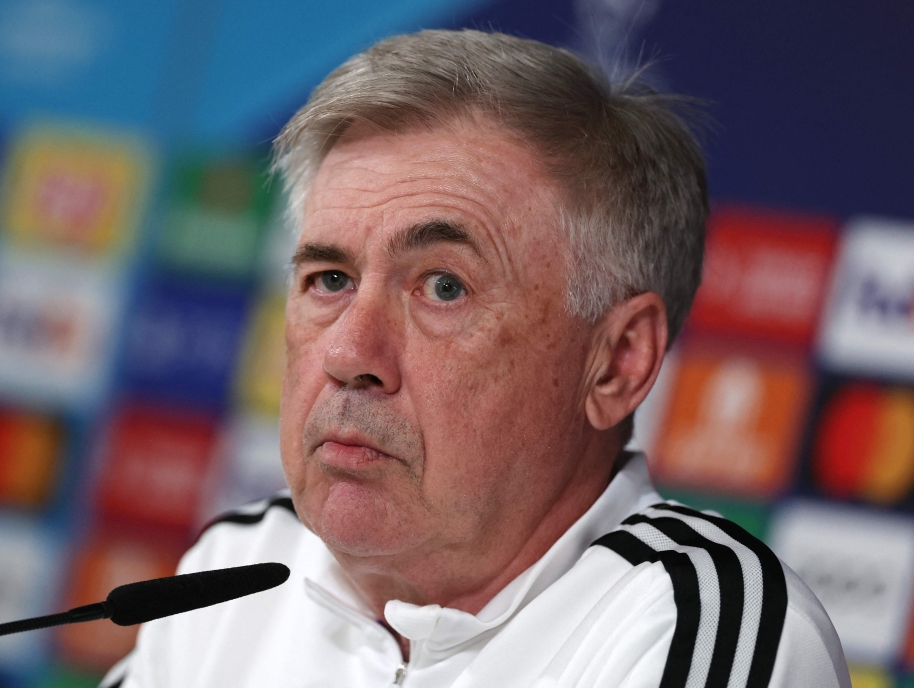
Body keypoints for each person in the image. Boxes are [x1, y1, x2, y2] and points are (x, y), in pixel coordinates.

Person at [101, 29, 849, 688]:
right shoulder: (238, 573)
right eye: (330, 280)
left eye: (444, 287)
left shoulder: (687, 621)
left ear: (617, 362)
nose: (351, 355)